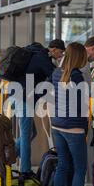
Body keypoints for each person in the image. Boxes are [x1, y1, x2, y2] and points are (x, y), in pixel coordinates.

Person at [51, 42, 94, 186]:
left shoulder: (56, 73)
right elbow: (84, 101)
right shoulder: (77, 77)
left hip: (57, 126)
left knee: (62, 166)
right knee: (79, 168)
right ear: (79, 58)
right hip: (74, 128)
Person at [14, 40, 61, 176]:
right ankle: (25, 170)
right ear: (54, 49)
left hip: (21, 96)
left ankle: (6, 155)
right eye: (60, 52)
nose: (61, 55)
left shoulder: (38, 55)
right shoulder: (43, 58)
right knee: (26, 134)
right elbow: (55, 76)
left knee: (31, 133)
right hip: (23, 99)